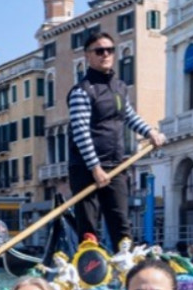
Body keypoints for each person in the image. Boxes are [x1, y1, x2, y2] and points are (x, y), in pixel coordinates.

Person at [68, 32, 165, 254]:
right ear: (87, 56)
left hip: (115, 166)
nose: (105, 55)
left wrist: (150, 132)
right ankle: (89, 274)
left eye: (109, 50)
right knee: (89, 228)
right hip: (85, 168)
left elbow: (129, 116)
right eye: (99, 51)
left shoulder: (119, 87)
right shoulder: (81, 91)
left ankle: (127, 271)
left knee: (121, 223)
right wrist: (95, 168)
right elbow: (81, 132)